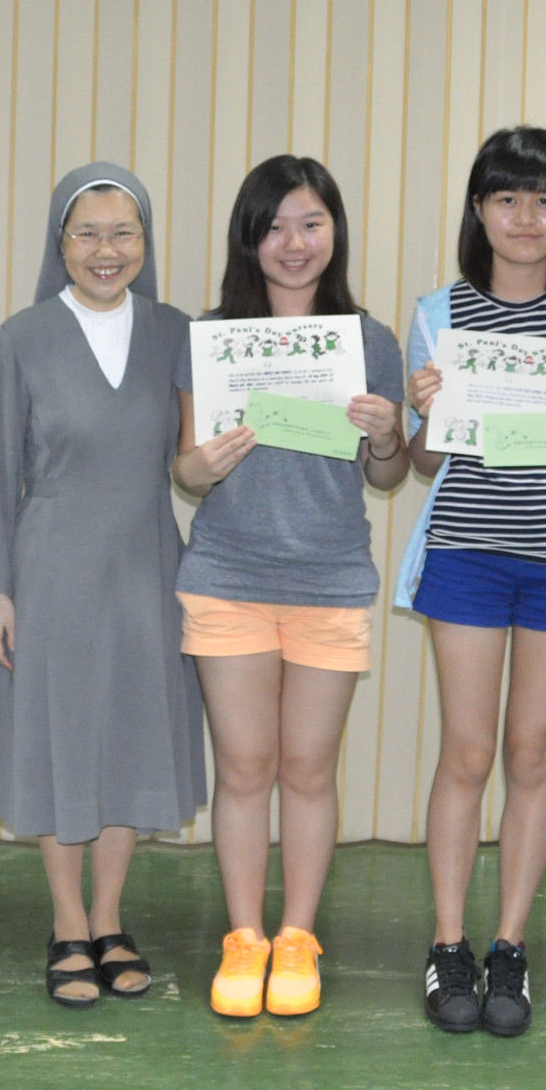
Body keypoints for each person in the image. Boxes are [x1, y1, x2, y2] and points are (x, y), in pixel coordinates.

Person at [395, 126, 546, 1037]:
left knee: (531, 754)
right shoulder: (440, 312)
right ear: (479, 209)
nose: (526, 217)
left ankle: (510, 946)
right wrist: (424, 414)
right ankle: (448, 943)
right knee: (466, 752)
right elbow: (426, 460)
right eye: (507, 198)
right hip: (466, 554)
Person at [170, 156, 407, 1018]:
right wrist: (202, 463)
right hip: (227, 576)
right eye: (274, 227)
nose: (294, 243)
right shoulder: (210, 337)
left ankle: (298, 936)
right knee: (244, 767)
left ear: (335, 230)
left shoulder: (368, 340)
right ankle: (244, 937)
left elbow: (387, 474)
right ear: (250, 238)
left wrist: (387, 434)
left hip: (330, 579)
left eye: (311, 223)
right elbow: (185, 469)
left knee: (308, 767)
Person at [0, 163, 206, 1009]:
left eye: (123, 233)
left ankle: (110, 916)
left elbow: (194, 455)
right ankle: (67, 921)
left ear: (145, 242)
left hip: (148, 562)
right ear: (61, 243)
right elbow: (0, 471)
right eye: (87, 234)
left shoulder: (177, 332)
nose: (106, 251)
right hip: (51, 566)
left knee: (132, 734)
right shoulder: (24, 335)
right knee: (58, 734)